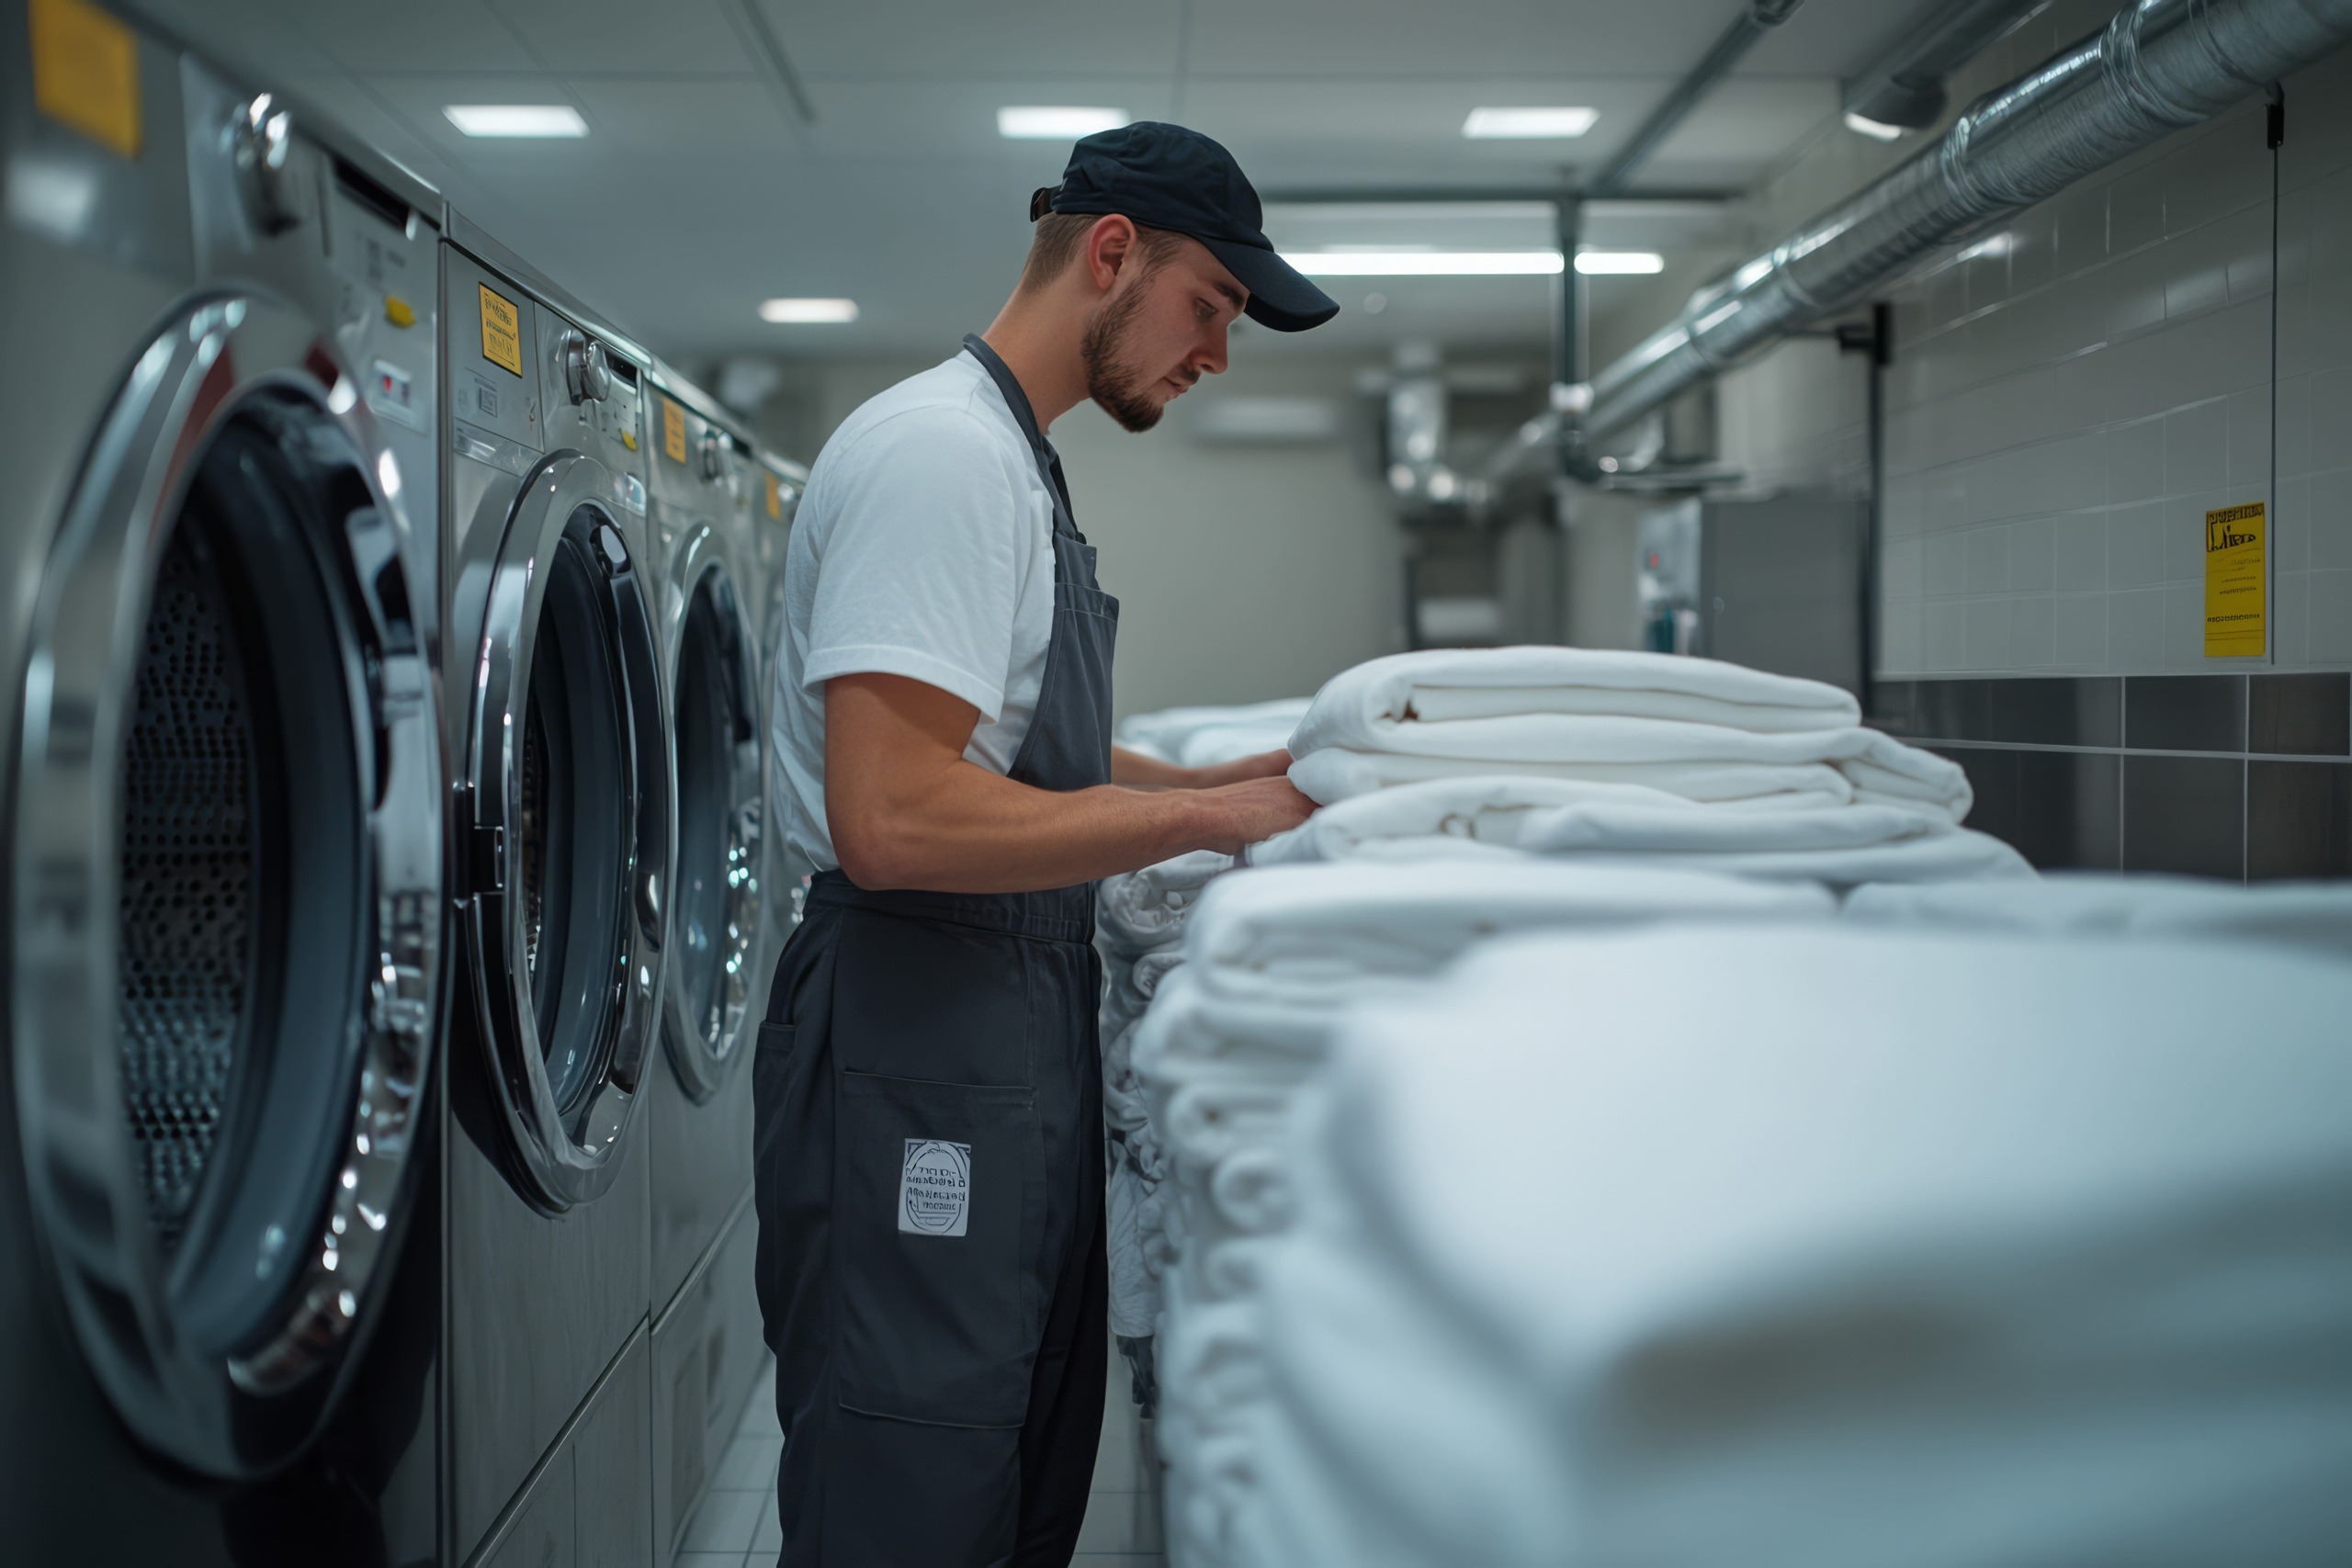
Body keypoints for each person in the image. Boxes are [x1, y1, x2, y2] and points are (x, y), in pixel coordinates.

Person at [753, 122, 1339, 1564]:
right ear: (1112, 253)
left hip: (988, 1019)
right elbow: (894, 818)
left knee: (1005, 1458)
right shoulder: (943, 458)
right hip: (912, 1019)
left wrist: (1215, 777)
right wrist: (1204, 817)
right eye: (1211, 305)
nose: (1218, 354)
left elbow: (999, 748)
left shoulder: (1013, 464)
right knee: (916, 1471)